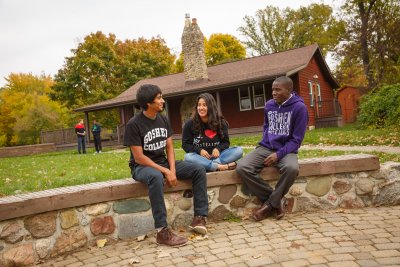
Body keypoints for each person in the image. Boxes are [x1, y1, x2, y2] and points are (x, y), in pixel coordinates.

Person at [124, 84, 208, 247]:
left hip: (162, 162)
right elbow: (139, 157)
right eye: (159, 98)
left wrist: (173, 170)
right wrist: (165, 171)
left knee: (198, 169)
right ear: (148, 103)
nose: (163, 101)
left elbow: (169, 147)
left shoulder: (163, 119)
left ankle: (199, 218)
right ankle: (162, 231)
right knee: (155, 177)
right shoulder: (134, 124)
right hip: (141, 167)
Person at [236, 76, 308, 221]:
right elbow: (267, 127)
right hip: (266, 147)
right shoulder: (269, 105)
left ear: (288, 90)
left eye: (277, 89)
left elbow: (296, 140)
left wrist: (278, 154)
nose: (273, 93)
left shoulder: (299, 108)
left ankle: (268, 206)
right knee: (242, 167)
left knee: (292, 169)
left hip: (287, 150)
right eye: (272, 90)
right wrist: (264, 143)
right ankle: (275, 202)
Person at [182, 93, 243, 172]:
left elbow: (225, 142)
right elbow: (185, 145)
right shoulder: (189, 124)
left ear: (211, 107)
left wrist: (218, 149)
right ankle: (220, 167)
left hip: (219, 157)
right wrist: (199, 150)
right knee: (188, 157)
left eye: (204, 105)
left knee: (239, 150)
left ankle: (209, 165)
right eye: (199, 105)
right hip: (199, 157)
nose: (201, 108)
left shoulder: (221, 122)